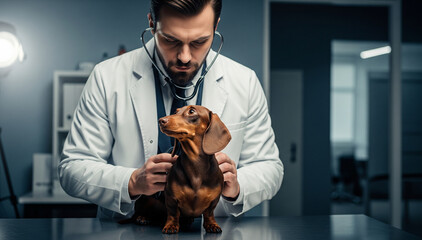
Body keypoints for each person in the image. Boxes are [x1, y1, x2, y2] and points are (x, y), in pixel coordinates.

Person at [58, 0, 283, 220]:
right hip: (129, 230)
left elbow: (270, 168)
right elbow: (72, 168)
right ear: (152, 24)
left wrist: (237, 185)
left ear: (215, 28)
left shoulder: (244, 82)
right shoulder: (106, 77)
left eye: (199, 42)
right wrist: (131, 182)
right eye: (170, 40)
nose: (184, 57)